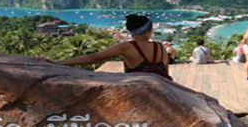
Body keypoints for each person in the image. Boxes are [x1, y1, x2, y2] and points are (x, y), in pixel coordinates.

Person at [36, 14, 171, 80]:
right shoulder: (160, 47)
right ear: (148, 31)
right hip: (163, 89)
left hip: (140, 88)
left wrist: (59, 63)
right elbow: (165, 72)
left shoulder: (126, 47)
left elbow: (94, 58)